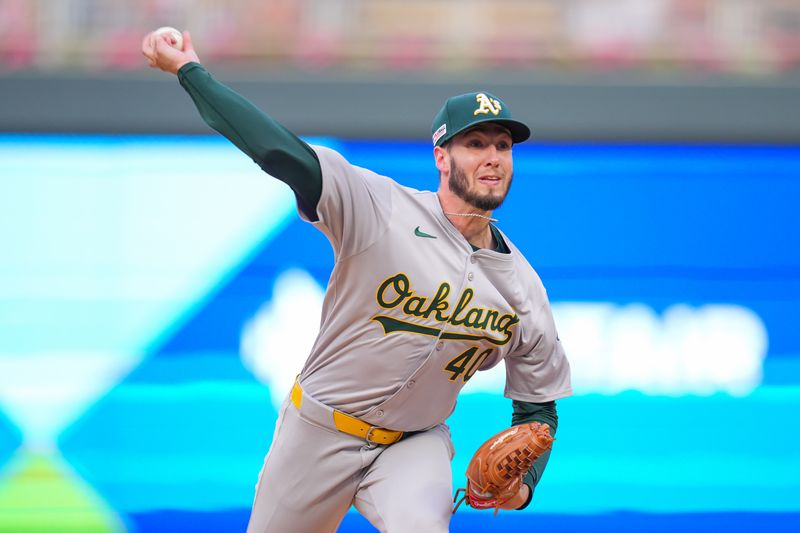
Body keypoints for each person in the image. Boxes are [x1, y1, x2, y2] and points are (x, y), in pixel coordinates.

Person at [142, 29, 572, 533]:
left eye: (503, 145)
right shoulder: (380, 207)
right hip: (319, 431)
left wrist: (522, 489)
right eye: (475, 143)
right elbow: (280, 152)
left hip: (415, 443)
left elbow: (539, 408)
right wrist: (191, 73)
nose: (493, 157)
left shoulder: (522, 285)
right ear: (441, 156)